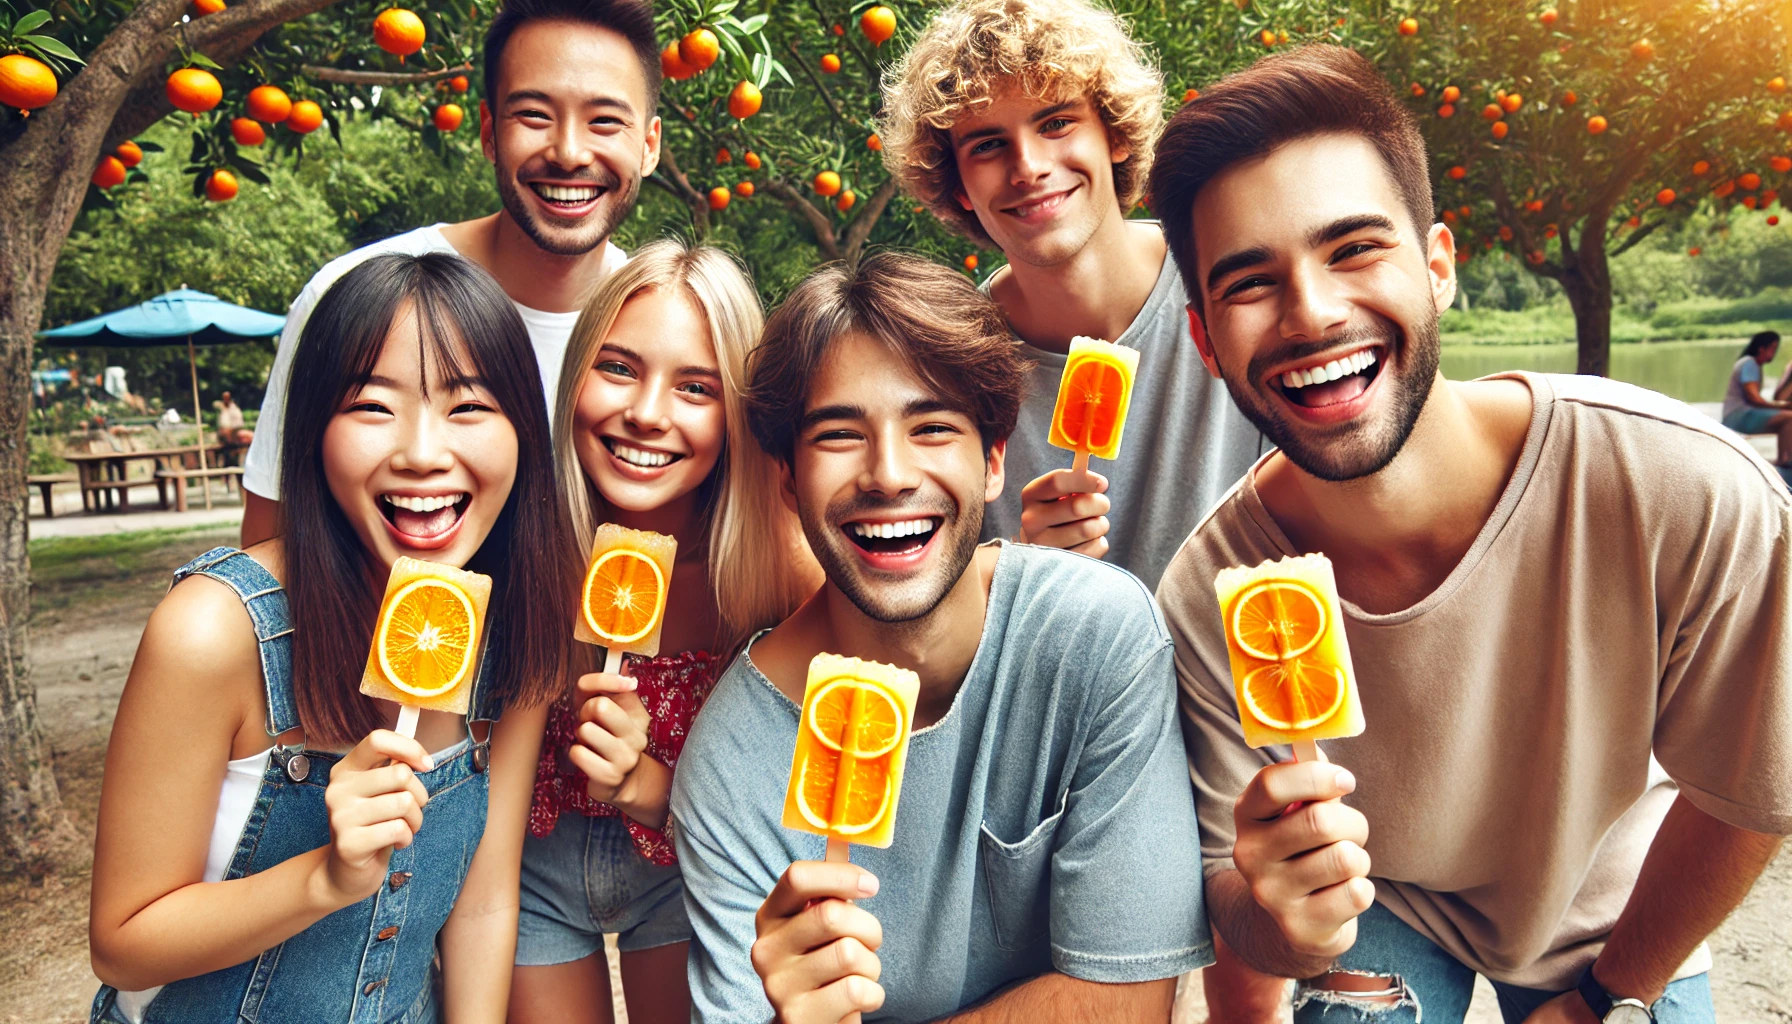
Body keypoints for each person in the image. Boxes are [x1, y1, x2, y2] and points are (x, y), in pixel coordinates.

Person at [1148, 44, 1791, 1023]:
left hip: (1608, 906)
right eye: (1248, 283)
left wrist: (1609, 995)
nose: (1312, 313)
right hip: (1389, 900)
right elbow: (1230, 906)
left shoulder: (1685, 486)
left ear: (1437, 265)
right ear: (1203, 341)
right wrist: (1284, 920)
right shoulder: (1209, 590)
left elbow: (1753, 792)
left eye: (1353, 248)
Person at [669, 252, 1211, 1024]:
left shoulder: (1100, 638)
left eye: (931, 427)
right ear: (788, 481)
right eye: (838, 435)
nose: (888, 474)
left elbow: (1127, 1002)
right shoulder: (732, 762)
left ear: (992, 461)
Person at [88, 253, 575, 1022]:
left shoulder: (514, 630)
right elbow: (122, 941)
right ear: (314, 429)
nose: (421, 452)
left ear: (524, 434)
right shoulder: (215, 631)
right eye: (374, 407)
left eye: (470, 406)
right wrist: (325, 878)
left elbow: (483, 906)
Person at [509, 240, 817, 1024]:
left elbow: (785, 811)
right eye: (616, 368)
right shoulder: (518, 547)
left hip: (690, 870)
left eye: (695, 388)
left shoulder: (781, 569)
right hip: (529, 876)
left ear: (737, 413)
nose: (647, 412)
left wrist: (646, 784)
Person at [240, 0, 662, 548]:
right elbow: (268, 554)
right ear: (489, 131)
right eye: (534, 115)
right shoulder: (350, 295)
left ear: (649, 145)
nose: (569, 152)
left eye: (605, 121)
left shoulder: (663, 328)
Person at [879, 0, 1264, 590]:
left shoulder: (1233, 288)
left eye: (1056, 123)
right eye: (986, 145)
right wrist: (1015, 572)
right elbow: (925, 604)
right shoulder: (948, 371)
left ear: (1113, 135)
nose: (1028, 167)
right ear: (958, 185)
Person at [1720, 330, 1792, 464]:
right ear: (1761, 348)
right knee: (1789, 418)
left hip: (1741, 415)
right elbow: (1753, 398)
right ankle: (1785, 460)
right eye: (1772, 348)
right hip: (1738, 416)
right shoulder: (1749, 364)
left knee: (1787, 418)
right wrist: (1781, 406)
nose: (1774, 353)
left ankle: (1786, 458)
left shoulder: (1752, 364)